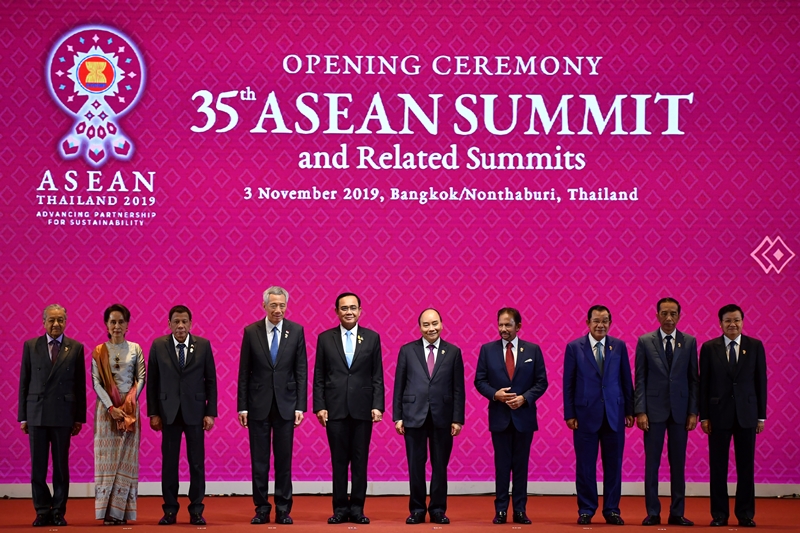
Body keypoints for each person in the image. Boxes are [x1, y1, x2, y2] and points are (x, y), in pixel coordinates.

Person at [237, 286, 308, 525]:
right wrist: (242, 407)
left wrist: (300, 406)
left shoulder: (296, 331)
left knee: (283, 461)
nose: (278, 309)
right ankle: (261, 508)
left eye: (282, 305)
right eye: (273, 305)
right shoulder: (251, 331)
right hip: (258, 405)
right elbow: (244, 372)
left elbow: (301, 370)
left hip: (286, 405)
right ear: (264, 306)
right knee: (259, 461)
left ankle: (283, 509)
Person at [313, 292, 384, 524]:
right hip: (335, 410)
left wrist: (378, 405)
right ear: (336, 312)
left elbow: (377, 376)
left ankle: (357, 509)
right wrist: (319, 406)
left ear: (360, 311)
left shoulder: (372, 338)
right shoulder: (325, 338)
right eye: (344, 308)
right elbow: (319, 376)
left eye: (353, 308)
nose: (349, 312)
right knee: (339, 462)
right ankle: (340, 509)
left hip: (363, 410)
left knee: (360, 462)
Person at [474, 307, 548, 525]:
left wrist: (525, 398)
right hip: (500, 417)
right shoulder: (487, 350)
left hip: (524, 417)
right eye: (500, 324)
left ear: (519, 326)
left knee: (521, 466)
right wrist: (495, 394)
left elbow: (541, 382)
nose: (503, 329)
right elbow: (480, 381)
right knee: (502, 466)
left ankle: (520, 510)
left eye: (508, 325)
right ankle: (500, 511)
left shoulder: (533, 350)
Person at [147, 305, 218, 526]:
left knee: (196, 464)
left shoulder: (203, 345)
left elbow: (211, 381)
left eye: (184, 321)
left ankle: (196, 510)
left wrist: (210, 413)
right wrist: (153, 413)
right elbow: (152, 382)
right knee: (169, 464)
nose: (180, 326)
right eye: (176, 321)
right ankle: (170, 510)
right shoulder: (158, 345)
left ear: (190, 323)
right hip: (168, 413)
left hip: (195, 412)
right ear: (169, 324)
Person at [393, 308, 465, 525]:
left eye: (434, 323)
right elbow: (399, 385)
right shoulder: (407, 351)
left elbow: (458, 389)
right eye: (426, 324)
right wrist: (398, 416)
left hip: (443, 416)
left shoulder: (453, 352)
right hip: (413, 415)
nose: (431, 328)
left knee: (440, 465)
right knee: (415, 466)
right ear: (420, 327)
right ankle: (416, 509)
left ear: (442, 324)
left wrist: (457, 418)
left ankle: (438, 510)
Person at [563, 305, 634, 526]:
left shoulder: (619, 346)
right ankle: (586, 509)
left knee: (614, 465)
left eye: (604, 321)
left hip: (614, 414)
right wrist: (570, 413)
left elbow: (626, 380)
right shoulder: (574, 347)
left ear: (610, 323)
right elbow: (568, 383)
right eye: (596, 321)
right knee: (585, 466)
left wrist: (629, 410)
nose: (600, 325)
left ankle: (612, 510)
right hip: (584, 415)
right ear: (588, 323)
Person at [17, 304, 86, 527]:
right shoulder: (31, 346)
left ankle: (58, 511)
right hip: (36, 413)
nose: (56, 324)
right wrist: (23, 417)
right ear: (43, 322)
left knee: (61, 467)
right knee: (38, 468)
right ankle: (41, 510)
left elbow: (80, 385)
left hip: (63, 414)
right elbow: (24, 382)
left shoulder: (75, 348)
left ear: (66, 321)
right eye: (51, 320)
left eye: (60, 320)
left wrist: (79, 418)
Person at [700, 304, 767, 528]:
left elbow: (761, 382)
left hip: (747, 415)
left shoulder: (754, 346)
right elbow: (704, 384)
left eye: (736, 320)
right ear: (720, 323)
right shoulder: (709, 348)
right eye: (728, 320)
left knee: (746, 467)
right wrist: (704, 416)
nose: (732, 324)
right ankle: (719, 514)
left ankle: (745, 514)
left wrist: (761, 416)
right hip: (718, 415)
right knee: (718, 467)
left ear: (742, 321)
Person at [634, 298, 698, 526]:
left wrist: (693, 412)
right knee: (652, 464)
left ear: (679, 316)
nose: (669, 318)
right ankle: (653, 512)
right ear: (657, 315)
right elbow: (640, 378)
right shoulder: (645, 341)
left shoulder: (689, 342)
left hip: (680, 412)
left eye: (673, 314)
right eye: (664, 313)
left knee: (678, 464)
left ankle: (677, 512)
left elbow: (693, 379)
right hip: (653, 412)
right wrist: (640, 411)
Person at [91, 303, 146, 525]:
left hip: (130, 409)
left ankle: (120, 513)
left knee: (126, 460)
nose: (117, 326)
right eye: (112, 322)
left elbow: (141, 378)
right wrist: (111, 408)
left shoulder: (135, 348)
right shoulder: (99, 351)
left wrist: (129, 403)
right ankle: (106, 512)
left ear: (127, 324)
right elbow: (96, 382)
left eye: (121, 322)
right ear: (106, 325)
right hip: (106, 412)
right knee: (106, 460)